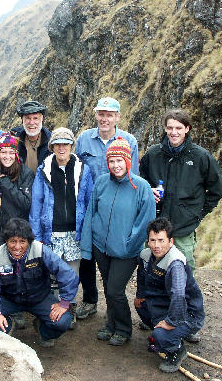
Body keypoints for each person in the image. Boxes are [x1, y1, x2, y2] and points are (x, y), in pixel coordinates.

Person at [80, 137, 155, 346]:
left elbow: (145, 223)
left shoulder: (141, 187)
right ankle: (111, 324)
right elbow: (91, 213)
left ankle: (123, 328)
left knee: (114, 290)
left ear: (128, 161)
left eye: (119, 161)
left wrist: (129, 244)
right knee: (108, 286)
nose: (115, 165)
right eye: (111, 161)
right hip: (101, 247)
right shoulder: (102, 182)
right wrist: (89, 245)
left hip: (126, 251)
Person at [74, 96, 139, 321]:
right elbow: (76, 170)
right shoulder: (83, 139)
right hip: (86, 208)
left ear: (117, 117)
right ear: (96, 115)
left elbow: (134, 178)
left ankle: (114, 309)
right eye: (101, 114)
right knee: (86, 256)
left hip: (115, 209)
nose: (104, 118)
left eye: (109, 115)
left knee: (110, 255)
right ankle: (90, 300)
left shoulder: (129, 140)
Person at [139, 108, 222, 271]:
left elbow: (217, 189)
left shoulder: (201, 157)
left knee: (184, 273)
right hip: (155, 226)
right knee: (151, 271)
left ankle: (183, 298)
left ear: (187, 129)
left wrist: (197, 213)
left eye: (178, 128)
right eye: (170, 128)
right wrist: (148, 191)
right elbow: (140, 181)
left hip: (183, 228)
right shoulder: (153, 154)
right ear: (165, 128)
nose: (174, 132)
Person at [0, 218, 79, 347]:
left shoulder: (41, 250)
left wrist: (64, 303)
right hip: (9, 300)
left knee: (63, 321)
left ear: (29, 241)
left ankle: (43, 330)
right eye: (13, 241)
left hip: (40, 298)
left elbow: (68, 274)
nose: (17, 247)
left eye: (22, 242)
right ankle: (7, 330)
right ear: (6, 241)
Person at [29, 127, 94, 329]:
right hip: (51, 232)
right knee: (51, 273)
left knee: (72, 274)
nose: (62, 147)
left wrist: (87, 232)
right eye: (57, 144)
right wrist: (37, 235)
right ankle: (51, 310)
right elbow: (36, 204)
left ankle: (69, 308)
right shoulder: (43, 171)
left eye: (65, 144)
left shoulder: (84, 169)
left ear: (72, 146)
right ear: (52, 147)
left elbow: (89, 201)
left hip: (75, 233)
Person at [134, 217, 205, 373]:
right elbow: (141, 275)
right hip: (164, 303)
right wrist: (140, 294)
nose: (156, 245)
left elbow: (179, 295)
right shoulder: (145, 255)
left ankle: (177, 350)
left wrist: (171, 322)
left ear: (170, 241)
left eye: (161, 240)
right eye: (152, 240)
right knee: (140, 305)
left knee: (161, 334)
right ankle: (169, 333)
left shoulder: (176, 263)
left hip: (188, 312)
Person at [0, 132, 35, 252]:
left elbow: (26, 203)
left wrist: (5, 183)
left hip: (18, 231)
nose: (7, 156)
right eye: (3, 152)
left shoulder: (26, 173)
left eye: (11, 152)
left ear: (16, 154)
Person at [11, 100, 52, 174]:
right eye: (28, 118)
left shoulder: (52, 142)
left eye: (35, 118)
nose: (31, 122)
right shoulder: (14, 141)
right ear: (22, 120)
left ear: (42, 119)